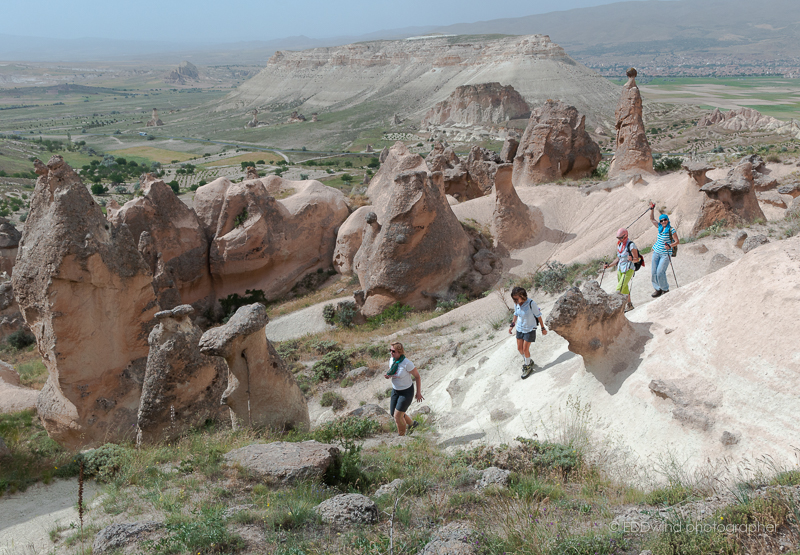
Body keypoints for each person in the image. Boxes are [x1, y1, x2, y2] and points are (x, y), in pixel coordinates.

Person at [384, 342, 423, 436]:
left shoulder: (407, 363)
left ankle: (401, 438)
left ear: (400, 352)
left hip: (406, 392)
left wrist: (418, 393)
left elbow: (417, 376)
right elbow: (392, 371)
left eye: (393, 351)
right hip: (395, 390)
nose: (391, 353)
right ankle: (412, 424)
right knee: (394, 413)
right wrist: (388, 376)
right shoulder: (391, 360)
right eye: (390, 350)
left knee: (397, 417)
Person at [508, 286, 547, 379]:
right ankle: (528, 360)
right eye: (514, 298)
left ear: (522, 295)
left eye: (516, 298)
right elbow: (516, 314)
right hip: (520, 328)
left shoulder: (531, 303)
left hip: (529, 329)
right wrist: (512, 325)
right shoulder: (516, 303)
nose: (515, 300)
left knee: (525, 349)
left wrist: (543, 328)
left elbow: (538, 316)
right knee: (519, 349)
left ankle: (528, 366)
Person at [603, 227, 639, 311]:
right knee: (624, 287)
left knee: (619, 289)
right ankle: (629, 305)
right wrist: (609, 266)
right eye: (618, 238)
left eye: (620, 237)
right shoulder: (619, 245)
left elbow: (637, 259)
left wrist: (631, 259)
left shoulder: (631, 245)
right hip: (620, 269)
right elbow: (618, 258)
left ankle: (616, 309)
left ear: (625, 236)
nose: (619, 239)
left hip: (628, 269)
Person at [648, 203, 679, 298]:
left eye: (665, 219)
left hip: (665, 254)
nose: (663, 221)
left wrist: (670, 245)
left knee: (660, 272)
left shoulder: (671, 230)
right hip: (656, 252)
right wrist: (652, 209)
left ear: (667, 220)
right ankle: (658, 289)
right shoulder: (660, 228)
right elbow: (652, 219)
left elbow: (677, 241)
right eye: (661, 220)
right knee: (653, 272)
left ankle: (665, 289)